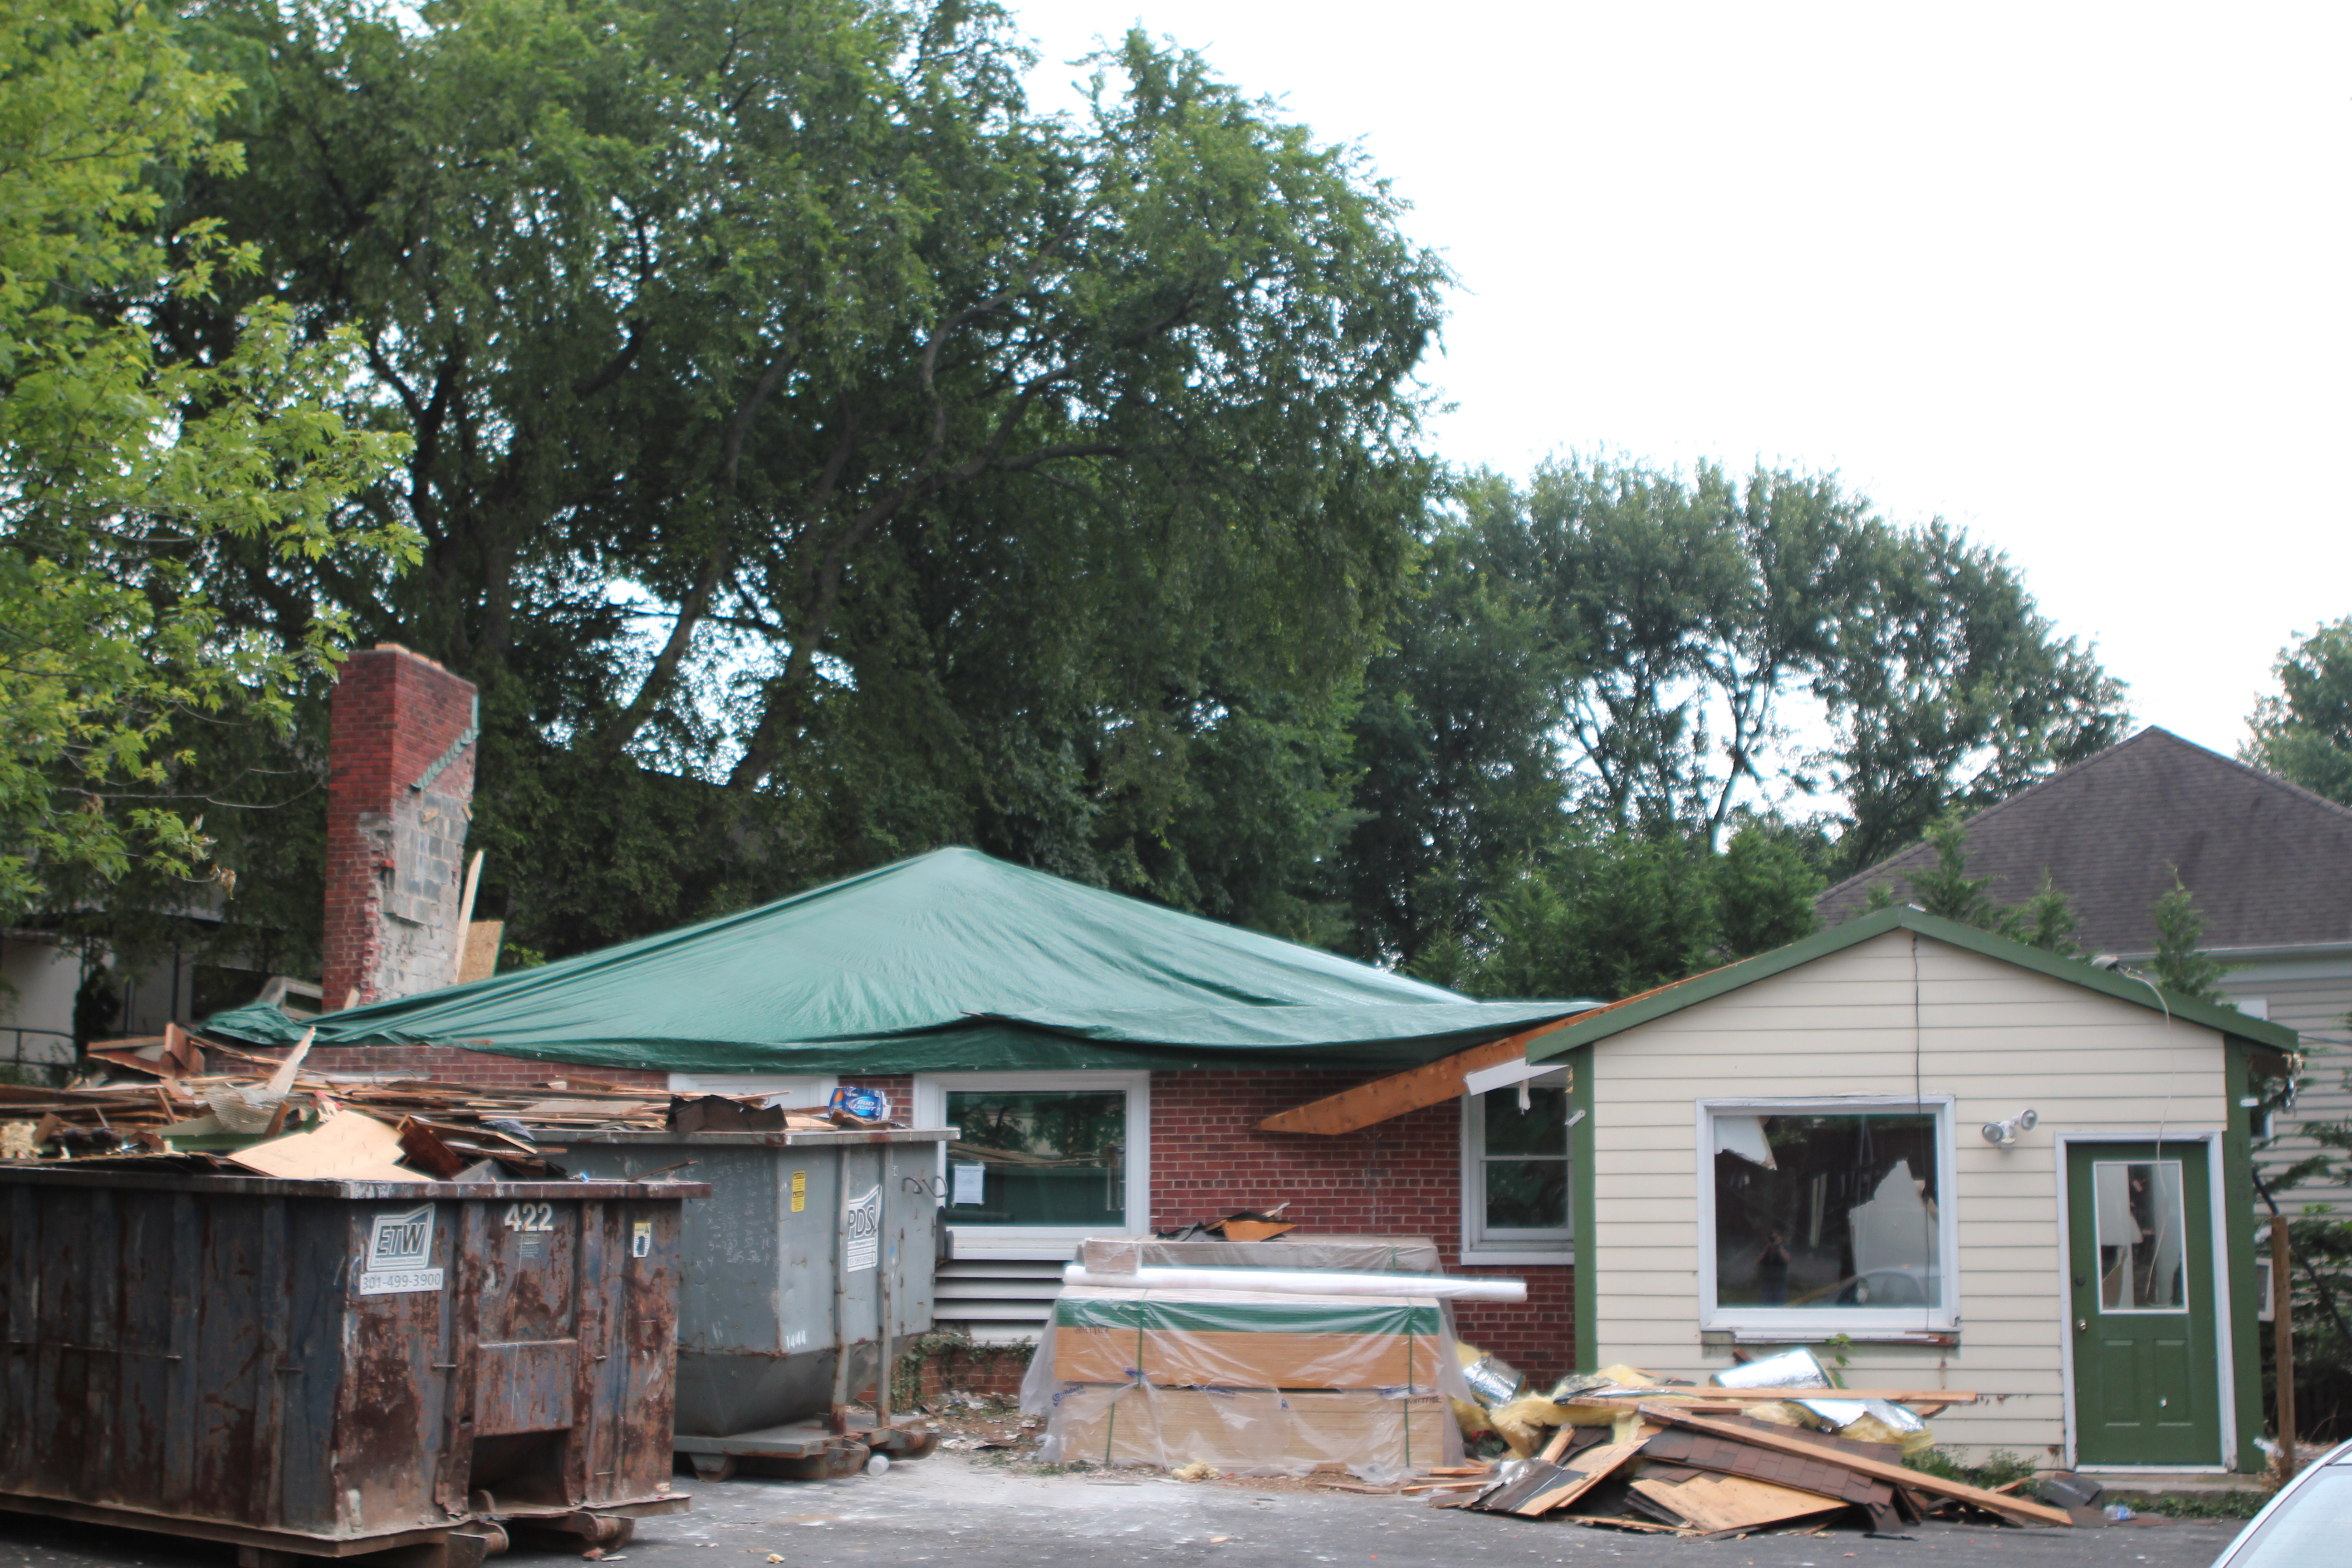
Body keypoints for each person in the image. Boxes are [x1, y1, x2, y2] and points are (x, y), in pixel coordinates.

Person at [1756, 1230, 1791, 1304]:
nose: (1774, 1240)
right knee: (1766, 1306)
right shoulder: (1765, 1250)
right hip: (1767, 1283)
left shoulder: (1784, 1248)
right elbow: (1758, 1261)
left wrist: (1780, 1246)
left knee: (1780, 1306)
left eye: (1776, 1238)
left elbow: (1788, 1259)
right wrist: (1768, 1247)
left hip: (1780, 1283)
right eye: (1772, 1238)